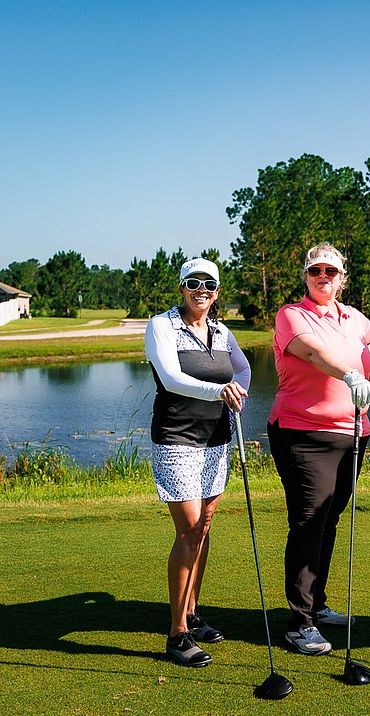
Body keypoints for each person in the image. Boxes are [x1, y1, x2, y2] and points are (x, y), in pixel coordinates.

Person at [268, 243, 370, 656]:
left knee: (329, 520)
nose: (323, 277)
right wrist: (352, 374)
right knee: (309, 523)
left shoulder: (353, 317)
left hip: (352, 433)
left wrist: (366, 359)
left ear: (341, 278)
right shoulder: (292, 315)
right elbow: (313, 352)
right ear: (306, 276)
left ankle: (316, 603)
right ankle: (300, 623)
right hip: (303, 433)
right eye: (315, 270)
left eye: (330, 272)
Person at [144, 257, 250, 668]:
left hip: (216, 439)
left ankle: (192, 612)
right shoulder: (162, 326)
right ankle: (177, 634)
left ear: (217, 291)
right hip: (177, 438)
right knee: (188, 528)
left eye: (209, 284)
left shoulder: (222, 332)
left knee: (204, 527)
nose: (201, 290)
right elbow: (171, 379)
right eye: (193, 283)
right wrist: (219, 391)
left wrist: (238, 392)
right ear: (181, 288)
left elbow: (242, 369)